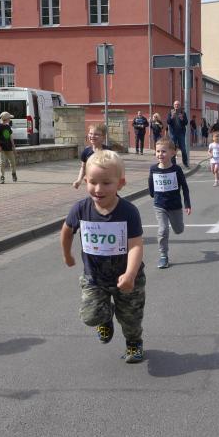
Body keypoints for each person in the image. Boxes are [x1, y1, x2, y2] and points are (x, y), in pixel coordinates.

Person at [60, 149, 146, 363]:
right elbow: (67, 231)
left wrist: (130, 274)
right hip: (94, 278)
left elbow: (135, 245)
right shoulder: (80, 209)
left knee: (130, 318)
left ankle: (134, 343)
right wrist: (67, 255)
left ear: (120, 183)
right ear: (86, 181)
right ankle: (104, 318)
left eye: (106, 183)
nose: (98, 189)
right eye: (93, 182)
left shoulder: (128, 211)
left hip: (127, 278)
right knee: (90, 315)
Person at [148, 138, 191, 269]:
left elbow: (185, 187)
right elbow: (151, 184)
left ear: (173, 153)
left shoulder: (177, 170)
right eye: (158, 151)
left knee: (179, 230)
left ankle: (177, 224)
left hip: (175, 206)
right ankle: (163, 256)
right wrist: (153, 194)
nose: (160, 154)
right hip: (159, 205)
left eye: (164, 151)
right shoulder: (153, 169)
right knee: (163, 229)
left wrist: (187, 204)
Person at [72, 123, 106, 189]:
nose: (92, 136)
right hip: (93, 184)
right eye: (90, 133)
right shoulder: (86, 152)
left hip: (106, 183)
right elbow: (83, 167)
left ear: (103, 137)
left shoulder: (108, 151)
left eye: (96, 134)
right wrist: (79, 180)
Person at [0, 111, 17, 184]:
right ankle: (2, 177)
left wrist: (13, 147)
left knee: (13, 162)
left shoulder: (8, 126)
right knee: (2, 162)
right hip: (1, 148)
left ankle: (13, 174)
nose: (10, 119)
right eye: (9, 118)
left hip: (9, 147)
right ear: (6, 119)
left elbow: (10, 137)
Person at [166, 100, 190, 167]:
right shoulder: (170, 112)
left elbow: (186, 122)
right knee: (173, 148)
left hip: (181, 133)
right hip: (173, 133)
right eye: (175, 104)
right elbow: (168, 122)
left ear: (180, 106)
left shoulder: (183, 113)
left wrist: (182, 118)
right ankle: (173, 164)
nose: (176, 106)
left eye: (178, 105)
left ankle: (185, 163)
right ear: (173, 105)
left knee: (183, 149)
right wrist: (171, 117)